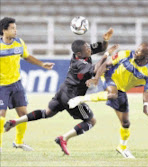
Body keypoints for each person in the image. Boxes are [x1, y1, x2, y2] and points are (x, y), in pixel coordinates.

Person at [4, 28, 115, 155]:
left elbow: (101, 47)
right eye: (87, 49)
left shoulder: (83, 51)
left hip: (63, 91)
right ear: (79, 53)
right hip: (72, 98)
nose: (89, 49)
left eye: (88, 47)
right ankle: (64, 138)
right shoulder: (79, 63)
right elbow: (96, 68)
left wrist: (105, 40)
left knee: (47, 112)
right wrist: (107, 54)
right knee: (91, 121)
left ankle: (15, 121)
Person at [68, 43, 148, 158]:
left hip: (121, 89)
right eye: (138, 48)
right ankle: (81, 99)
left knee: (125, 123)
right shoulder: (125, 54)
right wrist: (96, 79)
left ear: (146, 56)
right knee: (112, 94)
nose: (136, 51)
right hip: (109, 76)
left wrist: (146, 106)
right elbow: (106, 64)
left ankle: (122, 147)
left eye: (140, 51)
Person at [0, 17, 54, 152]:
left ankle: (18, 142)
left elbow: (27, 56)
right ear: (4, 30)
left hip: (16, 84)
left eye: (15, 27)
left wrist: (42, 64)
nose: (15, 30)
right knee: (1, 115)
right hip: (1, 86)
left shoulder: (19, 43)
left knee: (23, 114)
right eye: (12, 28)